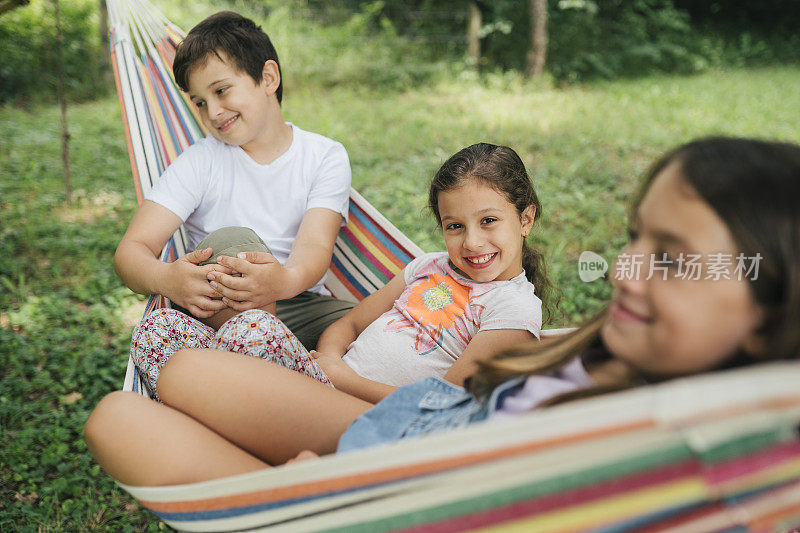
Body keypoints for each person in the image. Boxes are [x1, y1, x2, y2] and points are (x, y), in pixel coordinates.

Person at [85, 137, 800, 487]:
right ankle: (277, 484)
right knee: (144, 395)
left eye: (671, 257)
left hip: (398, 463)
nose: (626, 269)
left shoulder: (698, 450)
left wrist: (332, 481)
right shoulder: (600, 350)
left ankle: (281, 496)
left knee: (150, 401)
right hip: (381, 420)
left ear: (773, 305)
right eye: (635, 239)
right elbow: (375, 326)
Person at [132, 143, 550, 403]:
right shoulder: (428, 266)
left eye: (489, 221)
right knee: (157, 331)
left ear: (525, 219)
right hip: (324, 381)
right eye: (455, 226)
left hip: (362, 415)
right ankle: (218, 408)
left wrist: (343, 380)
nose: (472, 242)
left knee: (252, 332)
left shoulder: (512, 308)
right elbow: (350, 322)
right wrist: (330, 359)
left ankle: (219, 408)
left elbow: (444, 402)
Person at [114, 11, 354, 350]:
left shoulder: (324, 156)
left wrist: (281, 282)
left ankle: (276, 368)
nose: (212, 112)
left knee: (381, 321)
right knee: (235, 239)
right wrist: (167, 278)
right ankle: (267, 361)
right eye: (200, 102)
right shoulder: (200, 163)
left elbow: (314, 246)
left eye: (221, 90)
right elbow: (130, 252)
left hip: (297, 300)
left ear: (268, 78)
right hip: (223, 309)